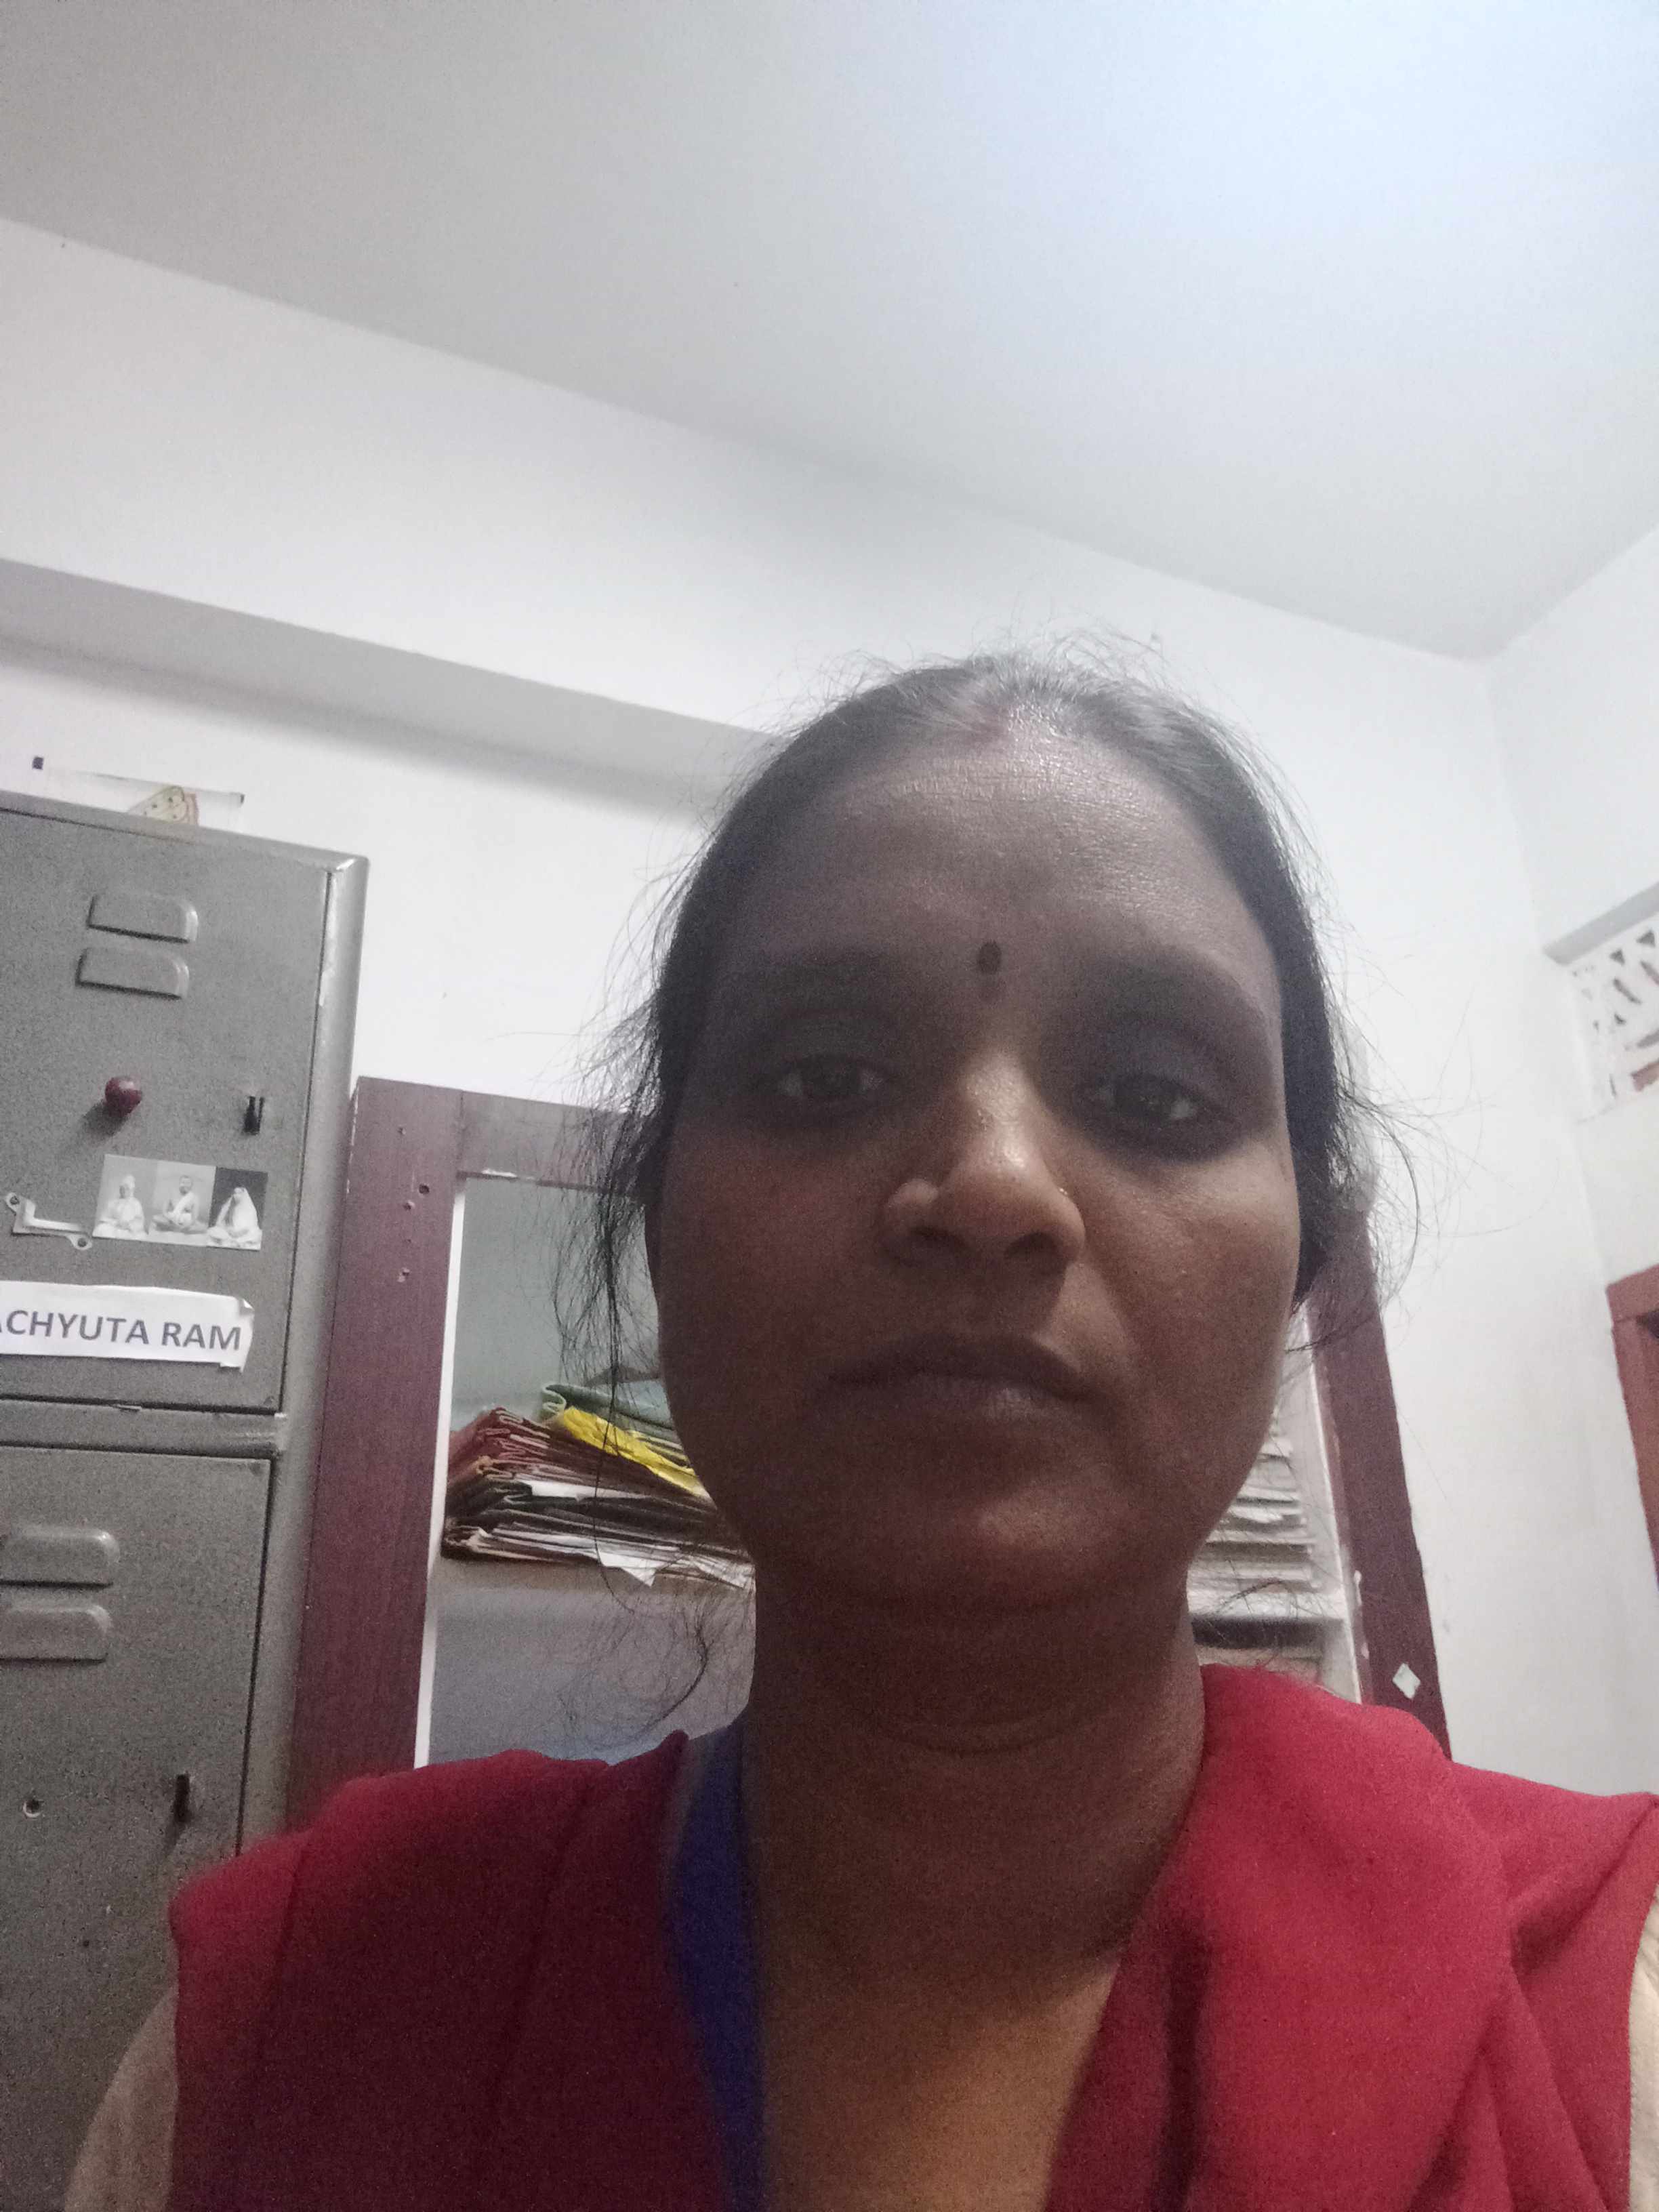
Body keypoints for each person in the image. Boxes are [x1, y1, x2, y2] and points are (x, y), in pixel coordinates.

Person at [71, 652, 1659, 2211]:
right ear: (661, 1229)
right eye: (824, 1074)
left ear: (1304, 1258)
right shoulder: (283, 2041)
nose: (993, 1186)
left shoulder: (1618, 2012)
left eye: (1157, 1096)